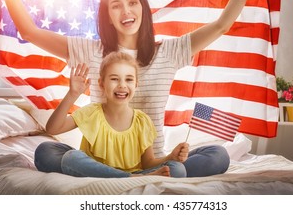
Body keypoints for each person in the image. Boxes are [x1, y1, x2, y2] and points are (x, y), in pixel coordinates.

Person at [0, 0, 275, 177]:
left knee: (219, 156)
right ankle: (122, 175)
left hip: (152, 160)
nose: (126, 11)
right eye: (116, 6)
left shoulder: (171, 51)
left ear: (143, 7)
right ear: (108, 15)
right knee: (46, 152)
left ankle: (140, 174)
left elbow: (222, 24)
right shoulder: (90, 51)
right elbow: (29, 32)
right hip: (100, 158)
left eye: (132, 2)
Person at [35, 51, 188, 177]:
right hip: (98, 169)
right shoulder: (92, 112)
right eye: (114, 79)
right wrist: (72, 94)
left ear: (136, 84)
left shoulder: (143, 121)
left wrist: (170, 157)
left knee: (178, 169)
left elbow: (148, 163)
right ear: (101, 84)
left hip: (138, 172)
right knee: (49, 152)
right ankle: (131, 179)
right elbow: (52, 129)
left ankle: (131, 177)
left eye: (128, 79)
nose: (122, 85)